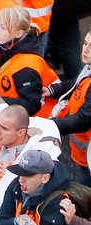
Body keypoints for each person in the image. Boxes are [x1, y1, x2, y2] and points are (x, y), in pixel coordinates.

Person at [0, 6, 59, 117]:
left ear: (18, 33)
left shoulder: (27, 66)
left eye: (3, 27)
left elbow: (31, 105)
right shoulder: (5, 45)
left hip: (44, 122)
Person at [43, 30, 91, 186]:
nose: (85, 49)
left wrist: (53, 124)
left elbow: (84, 119)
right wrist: (52, 90)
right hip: (82, 151)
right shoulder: (88, 69)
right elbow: (75, 83)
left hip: (87, 156)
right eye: (85, 43)